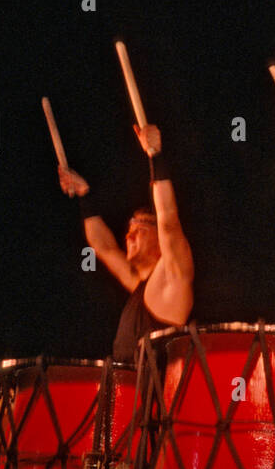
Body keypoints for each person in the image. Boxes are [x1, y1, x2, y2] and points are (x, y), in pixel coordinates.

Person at [58, 124, 194, 362]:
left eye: (139, 229)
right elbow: (103, 247)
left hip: (153, 398)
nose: (128, 237)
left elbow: (169, 220)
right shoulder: (137, 283)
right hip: (124, 394)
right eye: (129, 230)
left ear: (160, 241)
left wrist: (156, 156)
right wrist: (84, 194)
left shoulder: (174, 277)